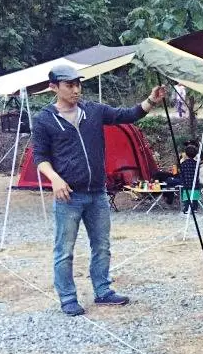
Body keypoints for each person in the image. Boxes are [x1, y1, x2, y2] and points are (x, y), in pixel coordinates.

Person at [33, 64, 166, 316]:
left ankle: (103, 291)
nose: (76, 90)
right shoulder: (44, 119)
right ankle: (68, 298)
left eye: (78, 84)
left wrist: (151, 100)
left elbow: (128, 115)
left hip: (97, 193)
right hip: (68, 195)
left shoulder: (93, 111)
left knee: (102, 246)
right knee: (64, 250)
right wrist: (55, 178)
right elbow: (40, 156)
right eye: (69, 85)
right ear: (54, 87)